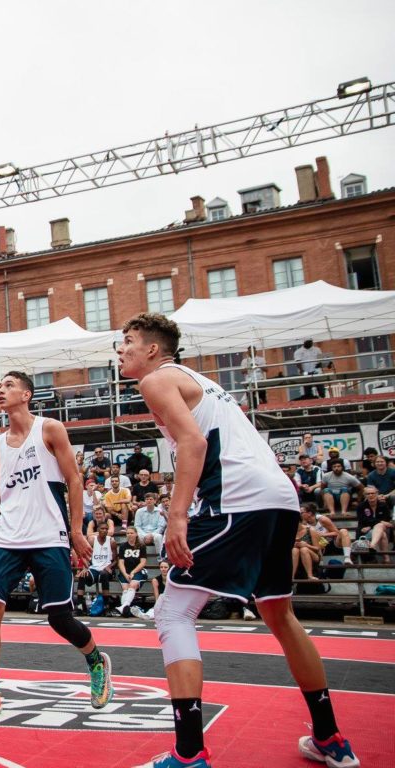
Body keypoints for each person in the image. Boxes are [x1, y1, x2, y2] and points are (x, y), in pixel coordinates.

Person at [118, 312, 358, 768]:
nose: (120, 349)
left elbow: (193, 445)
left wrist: (176, 516)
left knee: (173, 612)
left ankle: (188, 755)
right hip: (278, 499)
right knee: (278, 613)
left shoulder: (158, 380)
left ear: (152, 349)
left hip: (238, 499)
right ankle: (330, 739)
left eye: (128, 341)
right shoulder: (202, 382)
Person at [0, 371, 111, 722]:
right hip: (8, 535)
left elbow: (75, 479)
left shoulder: (49, 429)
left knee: (59, 618)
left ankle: (95, 660)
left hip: (48, 533)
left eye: (9, 386)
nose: (1, 391)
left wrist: (76, 530)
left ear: (27, 394)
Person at [116, 527, 157, 617]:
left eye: (131, 533)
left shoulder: (141, 546)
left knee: (133, 585)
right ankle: (125, 610)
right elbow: (121, 562)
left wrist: (133, 572)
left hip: (138, 571)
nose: (129, 535)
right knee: (125, 589)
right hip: (125, 571)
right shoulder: (123, 546)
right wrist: (125, 574)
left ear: (136, 534)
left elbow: (143, 562)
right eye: (127, 533)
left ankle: (123, 607)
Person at [354, 486, 393, 563]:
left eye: (372, 493)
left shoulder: (383, 505)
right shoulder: (361, 506)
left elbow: (387, 520)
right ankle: (386, 558)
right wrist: (380, 522)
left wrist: (373, 524)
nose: (370, 495)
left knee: (381, 527)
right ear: (365, 495)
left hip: (379, 529)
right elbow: (363, 520)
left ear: (377, 494)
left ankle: (372, 545)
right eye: (368, 494)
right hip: (365, 532)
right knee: (382, 532)